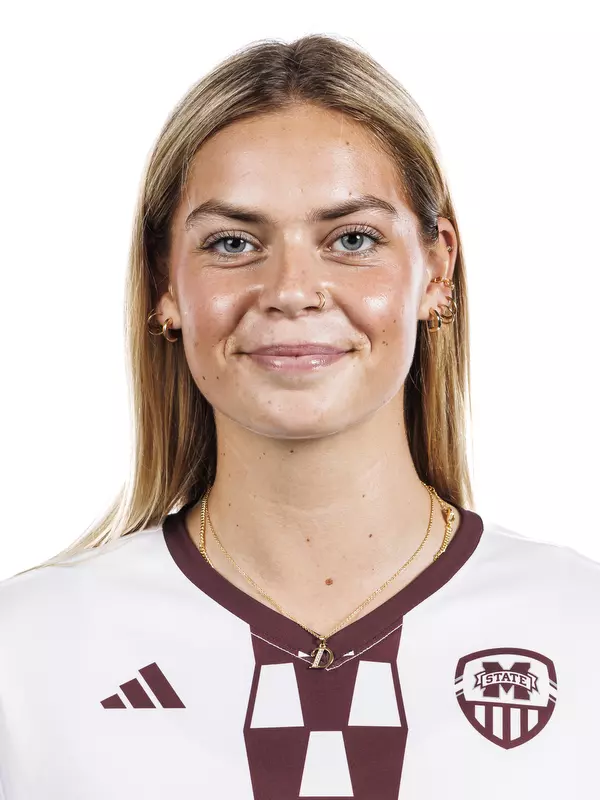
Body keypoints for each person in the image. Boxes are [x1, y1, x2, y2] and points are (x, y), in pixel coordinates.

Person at [0, 33, 598, 800]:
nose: (291, 289)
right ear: (166, 285)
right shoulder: (28, 654)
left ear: (436, 271)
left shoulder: (585, 632)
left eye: (351, 238)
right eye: (233, 241)